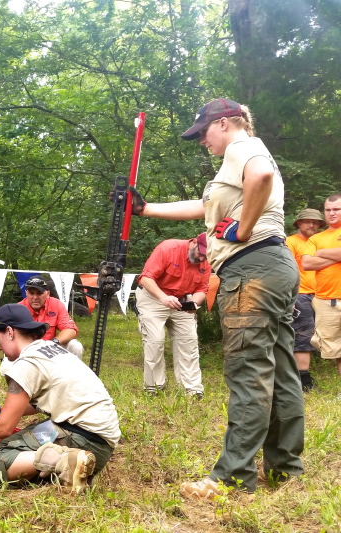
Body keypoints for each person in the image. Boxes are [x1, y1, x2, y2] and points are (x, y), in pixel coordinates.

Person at [127, 98, 304, 499]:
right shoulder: (234, 162)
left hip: (251, 269)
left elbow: (260, 177)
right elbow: (204, 208)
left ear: (225, 123)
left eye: (203, 133)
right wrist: (146, 209)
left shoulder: (243, 147)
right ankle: (285, 468)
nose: (201, 142)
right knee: (280, 370)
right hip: (274, 266)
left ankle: (232, 478)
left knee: (249, 373)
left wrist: (242, 229)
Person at [0, 303, 121, 493]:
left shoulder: (25, 364)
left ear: (10, 332)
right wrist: (3, 412)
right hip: (101, 441)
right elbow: (48, 399)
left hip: (84, 438)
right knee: (5, 446)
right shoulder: (50, 349)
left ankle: (65, 461)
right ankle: (68, 461)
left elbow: (4, 427)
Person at [136, 233, 211, 397]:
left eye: (206, 255)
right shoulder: (168, 248)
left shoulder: (207, 260)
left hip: (181, 301)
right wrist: (163, 298)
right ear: (193, 243)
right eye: (201, 253)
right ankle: (154, 388)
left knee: (189, 341)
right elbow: (146, 278)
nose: (202, 258)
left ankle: (192, 389)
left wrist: (195, 303)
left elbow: (202, 288)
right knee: (155, 341)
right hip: (153, 297)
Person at [285, 208, 327, 390]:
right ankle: (303, 382)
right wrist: (290, 297)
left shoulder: (317, 243)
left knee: (318, 336)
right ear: (299, 223)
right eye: (308, 221)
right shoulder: (290, 242)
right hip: (300, 295)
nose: (312, 225)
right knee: (303, 336)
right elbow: (286, 271)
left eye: (316, 222)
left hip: (322, 295)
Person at [302, 194, 341, 378]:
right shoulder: (315, 239)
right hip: (327, 301)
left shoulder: (318, 245)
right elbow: (307, 264)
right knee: (336, 349)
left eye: (336, 209)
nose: (332, 213)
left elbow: (314, 259)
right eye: (328, 210)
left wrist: (323, 253)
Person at [19, 275, 84, 358]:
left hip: (51, 348)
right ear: (26, 293)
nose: (35, 297)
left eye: (39, 293)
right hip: (26, 350)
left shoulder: (56, 304)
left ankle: (69, 371)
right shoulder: (19, 308)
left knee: (75, 346)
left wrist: (54, 342)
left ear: (47, 293)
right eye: (31, 293)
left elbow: (70, 330)